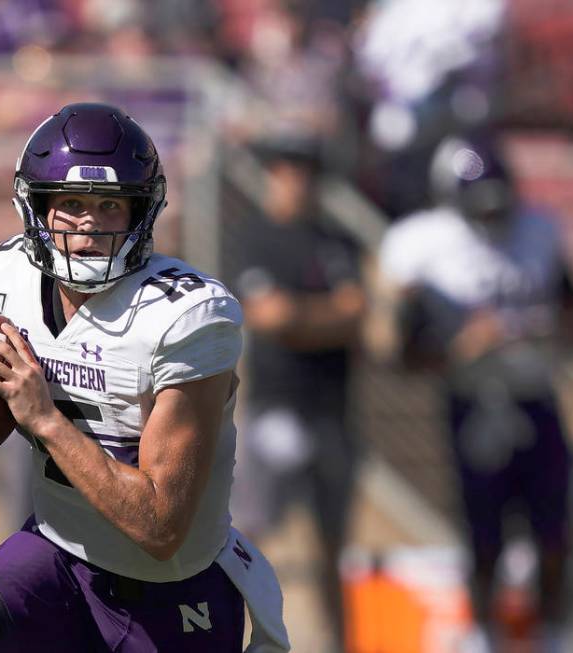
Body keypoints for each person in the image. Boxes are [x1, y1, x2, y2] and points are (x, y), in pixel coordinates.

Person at [0, 103, 290, 653]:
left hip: (171, 588)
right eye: (72, 204)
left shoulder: (187, 317)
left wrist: (45, 419)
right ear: (37, 208)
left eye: (110, 205)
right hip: (57, 555)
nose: (88, 223)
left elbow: (160, 526)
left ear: (140, 213)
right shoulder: (4, 279)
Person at [376, 133, 573, 652]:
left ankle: (553, 636)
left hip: (535, 393)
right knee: (484, 533)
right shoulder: (421, 246)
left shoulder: (538, 230)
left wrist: (544, 330)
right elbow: (394, 348)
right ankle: (483, 635)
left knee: (554, 530)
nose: (492, 218)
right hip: (473, 400)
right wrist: (458, 349)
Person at [230, 137, 365, 652]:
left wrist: (301, 318)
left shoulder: (334, 239)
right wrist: (328, 317)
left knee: (334, 548)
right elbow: (269, 316)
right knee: (249, 539)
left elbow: (356, 313)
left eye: (306, 169)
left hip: (333, 412)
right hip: (274, 410)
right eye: (288, 168)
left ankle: (340, 644)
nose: (297, 179)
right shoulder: (254, 237)